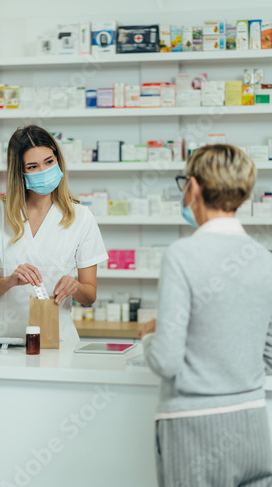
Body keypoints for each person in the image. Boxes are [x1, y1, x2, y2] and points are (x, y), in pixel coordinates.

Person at [141, 144, 272, 487]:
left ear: (195, 187)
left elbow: (167, 361)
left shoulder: (183, 255)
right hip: (252, 422)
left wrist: (149, 338)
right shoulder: (264, 258)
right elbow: (269, 354)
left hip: (193, 428)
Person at [0, 125, 108, 343]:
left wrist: (76, 287)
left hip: (58, 342)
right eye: (33, 166)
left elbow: (89, 296)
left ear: (58, 160)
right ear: (20, 172)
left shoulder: (81, 217)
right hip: (6, 342)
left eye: (49, 162)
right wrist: (9, 281)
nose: (44, 171)